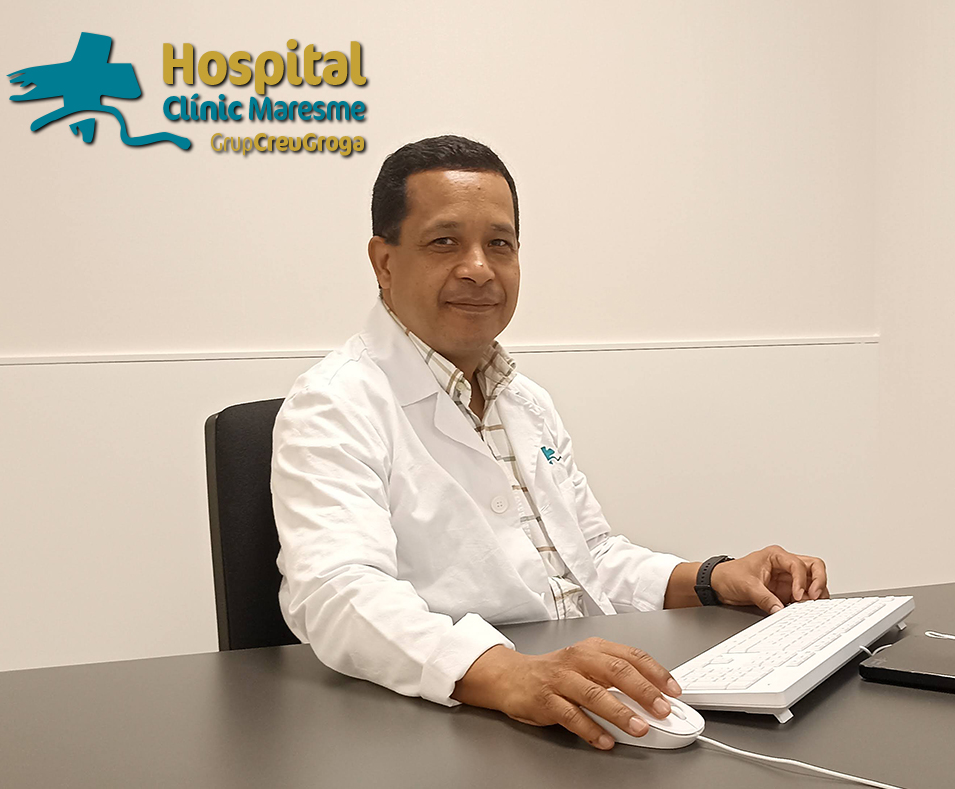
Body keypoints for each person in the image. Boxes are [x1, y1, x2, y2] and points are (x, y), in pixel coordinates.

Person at [271, 135, 829, 750]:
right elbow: (338, 593)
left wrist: (713, 577)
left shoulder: (524, 399)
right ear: (384, 262)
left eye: (500, 244)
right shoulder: (333, 403)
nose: (479, 268)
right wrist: (506, 673)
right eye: (444, 242)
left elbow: (589, 556)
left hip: (576, 694)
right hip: (454, 726)